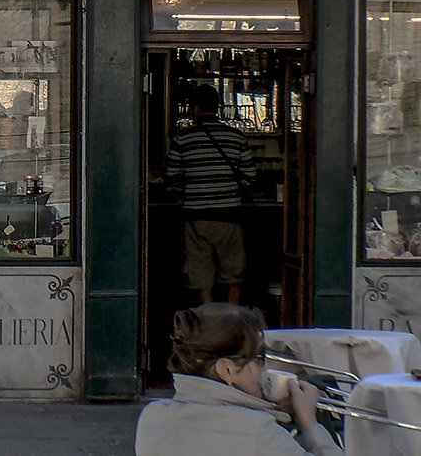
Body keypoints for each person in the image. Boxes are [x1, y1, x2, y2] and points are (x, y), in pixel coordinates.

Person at [135, 303, 342, 456]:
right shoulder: (258, 430)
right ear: (227, 369)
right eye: (260, 359)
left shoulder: (151, 417)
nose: (266, 368)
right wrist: (310, 423)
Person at [166, 84, 254, 304]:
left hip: (196, 217)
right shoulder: (236, 137)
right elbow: (250, 177)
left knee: (202, 277)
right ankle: (231, 324)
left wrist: (189, 187)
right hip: (229, 216)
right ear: (218, 107)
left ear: (194, 108)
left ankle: (209, 324)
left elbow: (171, 178)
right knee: (233, 275)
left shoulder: (183, 138)